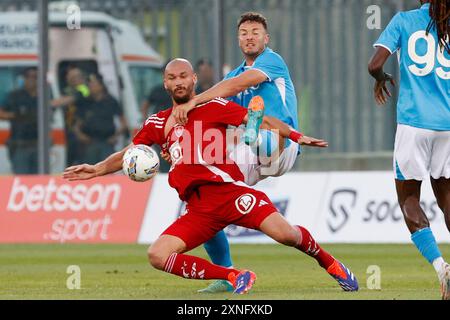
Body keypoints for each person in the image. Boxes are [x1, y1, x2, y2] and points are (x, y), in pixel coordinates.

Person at [63, 58, 358, 294]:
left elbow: (267, 119)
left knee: (287, 235)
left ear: (193, 80)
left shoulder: (213, 106)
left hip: (231, 193)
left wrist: (295, 135)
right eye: (172, 77)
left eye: (183, 76)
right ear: (165, 83)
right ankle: (233, 275)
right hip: (199, 209)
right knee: (158, 255)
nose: (178, 81)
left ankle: (331, 264)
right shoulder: (157, 123)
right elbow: (131, 151)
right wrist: (99, 168)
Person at [173, 12, 303, 292]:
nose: (250, 36)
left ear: (266, 38)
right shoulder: (231, 75)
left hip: (282, 146)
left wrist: (194, 99)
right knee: (206, 198)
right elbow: (214, 108)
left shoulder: (272, 61)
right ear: (238, 39)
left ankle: (256, 128)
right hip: (251, 152)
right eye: (244, 32)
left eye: (255, 32)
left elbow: (235, 86)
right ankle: (226, 273)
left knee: (261, 133)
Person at [368, 0, 450, 300]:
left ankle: (441, 266)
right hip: (448, 126)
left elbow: (374, 64)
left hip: (414, 123)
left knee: (409, 199)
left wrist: (381, 79)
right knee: (447, 198)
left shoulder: (404, 21)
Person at [74, 73, 128, 164]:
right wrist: (80, 136)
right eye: (89, 85)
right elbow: (77, 125)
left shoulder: (111, 101)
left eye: (93, 84)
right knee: (89, 170)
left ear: (101, 86)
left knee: (107, 169)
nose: (90, 87)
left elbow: (124, 123)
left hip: (107, 142)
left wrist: (115, 136)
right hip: (90, 142)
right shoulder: (85, 102)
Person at [0, 67, 38, 174]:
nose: (32, 79)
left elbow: (54, 105)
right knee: (22, 178)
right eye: (29, 76)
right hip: (20, 144)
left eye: (35, 77)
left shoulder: (44, 95)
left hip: (39, 145)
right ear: (24, 78)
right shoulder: (15, 96)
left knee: (40, 179)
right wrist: (15, 115)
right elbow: (1, 113)